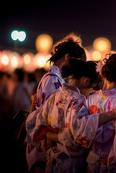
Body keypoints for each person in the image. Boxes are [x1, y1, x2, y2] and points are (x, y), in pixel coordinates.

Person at [25, 59, 116, 172]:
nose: (91, 94)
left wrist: (47, 134)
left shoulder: (54, 96)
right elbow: (77, 135)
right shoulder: (77, 101)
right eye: (92, 91)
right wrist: (113, 113)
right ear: (86, 81)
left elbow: (31, 122)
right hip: (70, 164)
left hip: (51, 159)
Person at [26, 33, 87, 173]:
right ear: (67, 57)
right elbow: (52, 119)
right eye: (77, 62)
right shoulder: (53, 80)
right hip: (44, 147)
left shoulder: (54, 78)